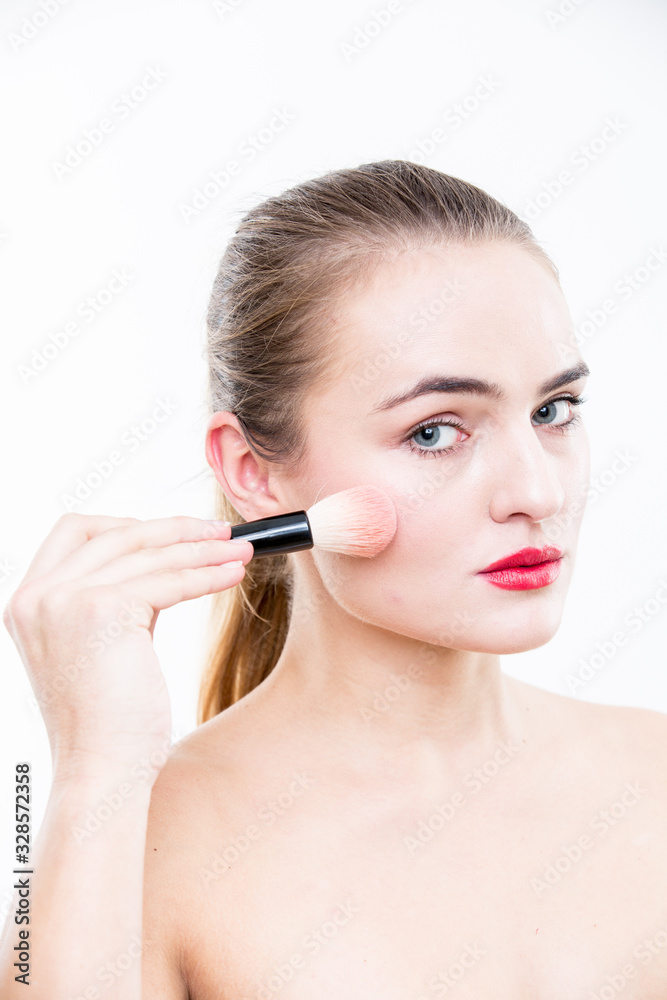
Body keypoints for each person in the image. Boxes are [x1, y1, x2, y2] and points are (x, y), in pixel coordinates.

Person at [2, 160, 666, 999]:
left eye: (552, 411)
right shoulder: (137, 845)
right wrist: (95, 769)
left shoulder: (654, 776)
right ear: (252, 470)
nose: (537, 492)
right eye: (433, 432)